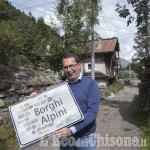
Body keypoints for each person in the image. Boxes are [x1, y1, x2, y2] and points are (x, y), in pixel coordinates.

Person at [30, 53, 100, 150]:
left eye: (71, 66)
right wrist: (37, 100)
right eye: (65, 67)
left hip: (86, 137)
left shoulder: (91, 84)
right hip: (65, 140)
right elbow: (49, 108)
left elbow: (92, 113)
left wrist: (72, 130)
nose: (69, 70)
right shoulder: (59, 87)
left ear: (79, 66)